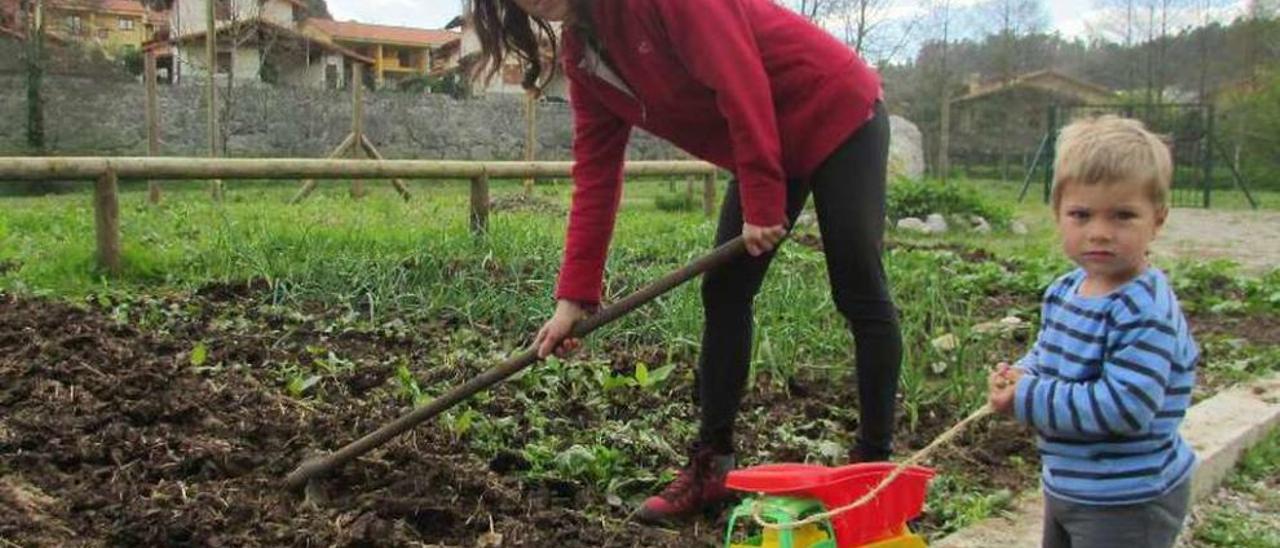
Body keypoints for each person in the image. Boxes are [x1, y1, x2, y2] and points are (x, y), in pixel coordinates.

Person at [470, 0, 900, 523]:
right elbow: (597, 177)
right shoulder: (584, 58)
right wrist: (573, 296)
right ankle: (713, 465)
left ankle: (875, 471)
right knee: (724, 292)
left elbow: (738, 77)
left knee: (857, 287)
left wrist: (763, 201)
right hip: (769, 136)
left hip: (835, 106)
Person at [987, 116, 1198, 548]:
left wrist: (1027, 397)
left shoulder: (1144, 310)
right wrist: (1021, 373)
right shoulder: (1066, 290)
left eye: (1122, 215)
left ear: (1157, 220)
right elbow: (1049, 352)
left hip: (1128, 498)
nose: (1099, 232)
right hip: (1070, 484)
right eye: (1081, 215)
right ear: (1058, 215)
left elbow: (1123, 407)